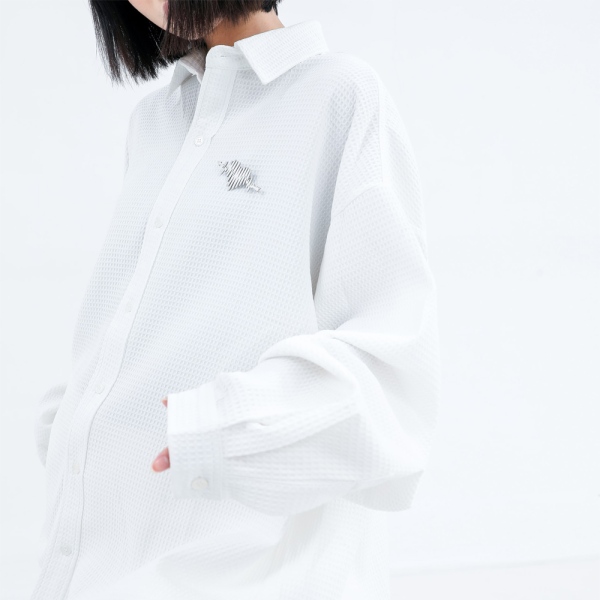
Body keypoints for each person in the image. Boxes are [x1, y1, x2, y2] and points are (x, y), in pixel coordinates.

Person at [31, 1, 441, 599]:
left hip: (250, 572)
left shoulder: (338, 94)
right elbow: (134, 317)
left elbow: (392, 366)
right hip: (94, 566)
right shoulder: (155, 121)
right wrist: (73, 419)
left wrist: (221, 428)